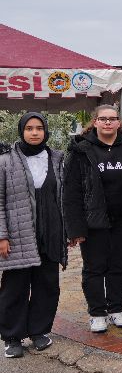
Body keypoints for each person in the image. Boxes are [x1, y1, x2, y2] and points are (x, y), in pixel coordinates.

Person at [63, 105, 122, 333]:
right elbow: (71, 192)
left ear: (119, 123)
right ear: (94, 122)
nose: (107, 123)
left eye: (112, 119)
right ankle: (97, 312)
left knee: (120, 266)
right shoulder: (81, 151)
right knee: (94, 268)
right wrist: (75, 228)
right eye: (102, 119)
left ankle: (116, 309)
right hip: (94, 220)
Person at [0, 113, 66, 358]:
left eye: (39, 128)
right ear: (21, 131)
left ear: (46, 131)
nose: (35, 132)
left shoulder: (56, 158)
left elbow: (62, 197)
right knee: (14, 286)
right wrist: (2, 236)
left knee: (47, 284)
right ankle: (13, 337)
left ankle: (39, 331)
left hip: (50, 232)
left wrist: (66, 231)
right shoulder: (5, 161)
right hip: (18, 234)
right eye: (29, 128)